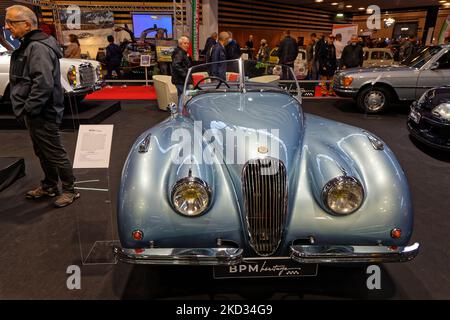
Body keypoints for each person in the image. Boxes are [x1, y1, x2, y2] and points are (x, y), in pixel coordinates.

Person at [5, 5, 79, 207]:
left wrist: (29, 109)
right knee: (42, 151)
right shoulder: (30, 44)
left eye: (11, 22)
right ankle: (50, 185)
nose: (7, 26)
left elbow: (43, 83)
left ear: (27, 24)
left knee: (54, 151)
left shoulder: (37, 47)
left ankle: (70, 189)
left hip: (42, 112)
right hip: (37, 112)